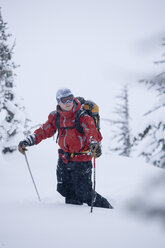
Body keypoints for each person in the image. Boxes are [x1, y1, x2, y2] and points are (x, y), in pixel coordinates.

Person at [18, 88, 113, 209]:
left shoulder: (82, 116)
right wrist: (29, 140)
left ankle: (108, 209)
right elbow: (44, 131)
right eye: (64, 99)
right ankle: (72, 217)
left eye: (70, 98)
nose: (68, 102)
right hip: (64, 158)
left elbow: (91, 132)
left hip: (81, 160)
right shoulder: (56, 116)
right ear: (58, 102)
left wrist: (94, 144)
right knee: (65, 189)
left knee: (85, 193)